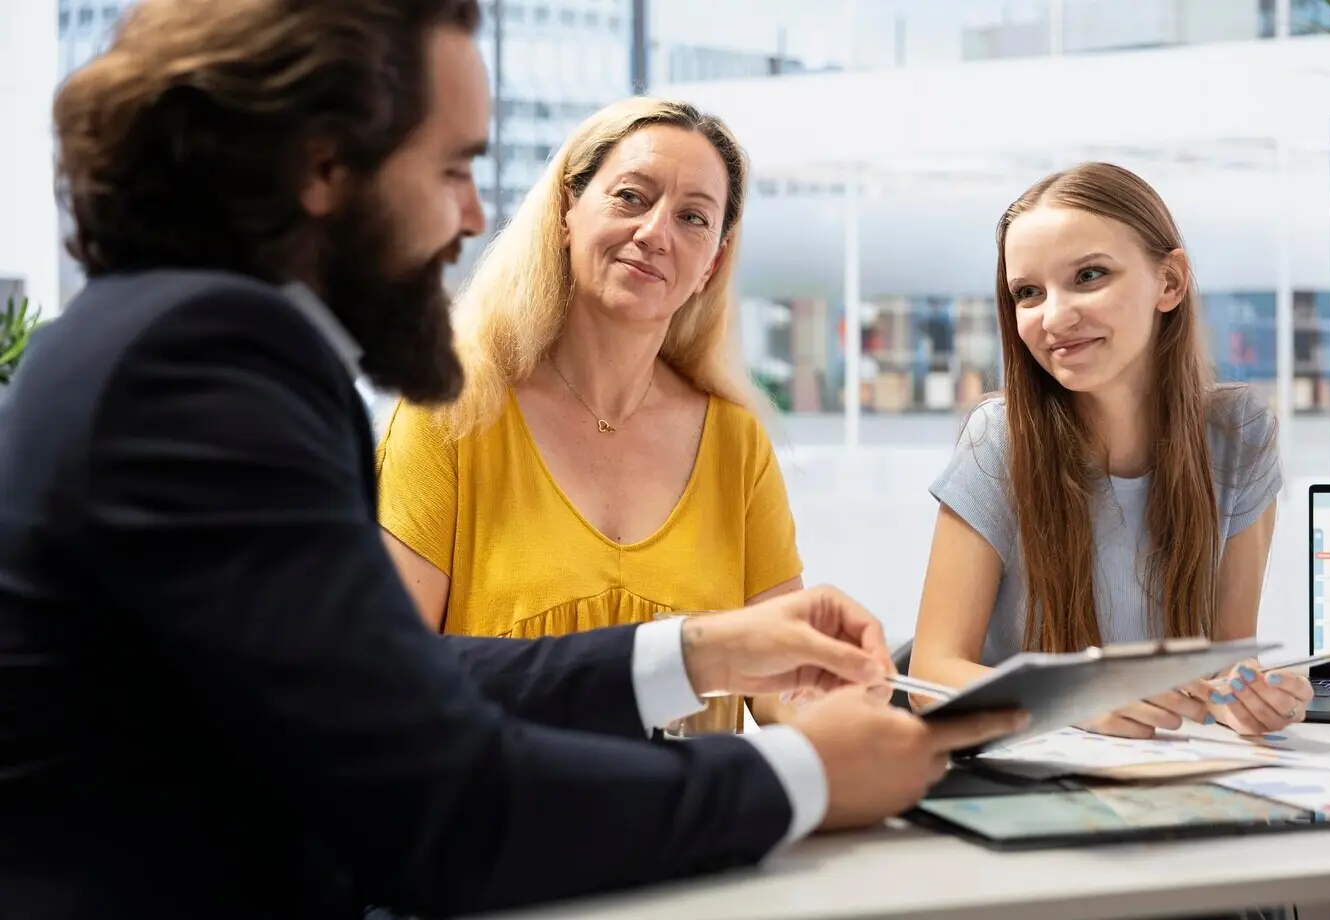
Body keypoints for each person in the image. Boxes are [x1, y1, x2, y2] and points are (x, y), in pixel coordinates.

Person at [0, 2, 1028, 918]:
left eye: (696, 217)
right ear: (322, 168)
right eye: (451, 168)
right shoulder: (203, 368)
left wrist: (702, 651)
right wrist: (798, 774)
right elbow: (443, 802)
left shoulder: (163, 338)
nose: (477, 214)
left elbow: (397, 676)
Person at [375, 96, 805, 728]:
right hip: (512, 818)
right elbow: (389, 675)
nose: (656, 233)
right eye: (631, 196)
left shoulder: (737, 443)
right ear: (565, 212)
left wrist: (855, 704)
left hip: (689, 821)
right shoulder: (453, 414)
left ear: (712, 262)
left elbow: (782, 686)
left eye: (693, 217)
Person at [907, 161, 1311, 739]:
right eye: (1027, 292)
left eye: (1089, 275)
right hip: (1033, 776)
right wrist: (1073, 702)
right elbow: (930, 677)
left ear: (1169, 283)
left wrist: (1252, 698)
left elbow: (1222, 663)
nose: (1054, 317)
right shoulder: (999, 439)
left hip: (1164, 772)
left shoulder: (1240, 434)